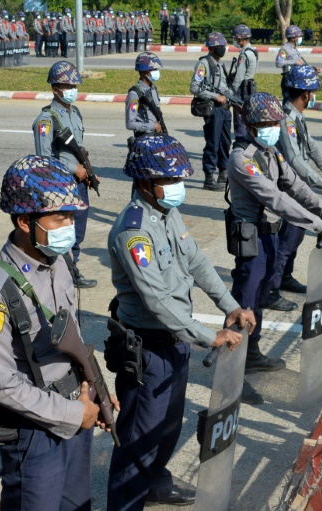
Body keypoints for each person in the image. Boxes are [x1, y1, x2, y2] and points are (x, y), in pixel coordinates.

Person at [106, 134, 253, 510]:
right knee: (138, 440)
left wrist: (229, 305)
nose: (177, 187)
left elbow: (196, 260)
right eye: (169, 180)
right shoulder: (133, 231)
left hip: (177, 340)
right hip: (149, 348)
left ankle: (155, 486)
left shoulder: (166, 212)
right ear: (145, 183)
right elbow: (156, 300)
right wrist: (209, 336)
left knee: (167, 429)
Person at [0, 155, 118, 511]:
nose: (69, 226)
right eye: (60, 218)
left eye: (71, 217)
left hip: (77, 406)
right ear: (25, 221)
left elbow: (73, 338)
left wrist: (96, 390)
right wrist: (74, 415)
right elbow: (4, 386)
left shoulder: (59, 261)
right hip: (35, 430)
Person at [228, 92, 322, 404]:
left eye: (274, 123)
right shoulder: (243, 158)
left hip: (269, 235)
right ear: (250, 126)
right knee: (245, 302)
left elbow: (295, 185)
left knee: (260, 297)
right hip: (250, 237)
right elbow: (276, 198)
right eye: (266, 124)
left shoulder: (271, 152)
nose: (273, 128)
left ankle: (252, 354)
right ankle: (232, 379)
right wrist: (319, 224)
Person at [273, 65, 322, 309]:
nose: (313, 95)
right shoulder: (286, 119)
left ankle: (285, 277)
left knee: (295, 237)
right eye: (313, 91)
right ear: (305, 93)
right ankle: (271, 289)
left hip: (300, 186)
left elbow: (312, 148)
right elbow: (294, 159)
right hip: (289, 187)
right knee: (287, 239)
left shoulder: (297, 116)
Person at [33, 62, 100, 288]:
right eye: (68, 86)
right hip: (59, 185)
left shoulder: (75, 112)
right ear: (55, 89)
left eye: (74, 86)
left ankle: (72, 268)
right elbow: (44, 158)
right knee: (63, 229)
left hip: (78, 183)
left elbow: (78, 149)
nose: (73, 90)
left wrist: (88, 172)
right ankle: (64, 273)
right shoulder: (46, 120)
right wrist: (74, 169)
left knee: (78, 229)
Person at [190, 32, 232, 191]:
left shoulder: (220, 64)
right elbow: (194, 87)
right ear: (212, 48)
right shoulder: (204, 64)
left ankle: (223, 173)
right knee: (213, 144)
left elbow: (224, 87)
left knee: (225, 143)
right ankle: (209, 178)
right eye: (221, 46)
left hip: (225, 109)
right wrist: (216, 97)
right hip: (213, 109)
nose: (223, 49)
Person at [126, 52, 165, 140]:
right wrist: (152, 126)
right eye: (153, 69)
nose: (157, 72)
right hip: (144, 139)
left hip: (156, 137)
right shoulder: (134, 94)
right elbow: (130, 124)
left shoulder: (153, 89)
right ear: (143, 72)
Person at [229, 24, 259, 139]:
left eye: (236, 38)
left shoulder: (245, 55)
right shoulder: (253, 52)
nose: (235, 41)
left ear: (241, 39)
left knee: (239, 119)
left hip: (242, 89)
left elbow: (239, 77)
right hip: (250, 87)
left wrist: (231, 92)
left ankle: (240, 142)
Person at [277, 25, 320, 101]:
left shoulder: (294, 49)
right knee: (288, 103)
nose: (300, 38)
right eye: (299, 36)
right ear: (293, 38)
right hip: (288, 81)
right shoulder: (284, 49)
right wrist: (294, 62)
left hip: (296, 80)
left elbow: (301, 64)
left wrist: (313, 68)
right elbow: (279, 63)